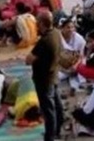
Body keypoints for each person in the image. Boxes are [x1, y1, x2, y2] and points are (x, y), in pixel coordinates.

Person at [26, 11, 63, 141]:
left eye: (37, 23)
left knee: (48, 109)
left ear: (42, 23)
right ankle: (58, 130)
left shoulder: (44, 41)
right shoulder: (56, 33)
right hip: (53, 74)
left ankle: (50, 137)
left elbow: (29, 59)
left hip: (44, 78)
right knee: (57, 104)